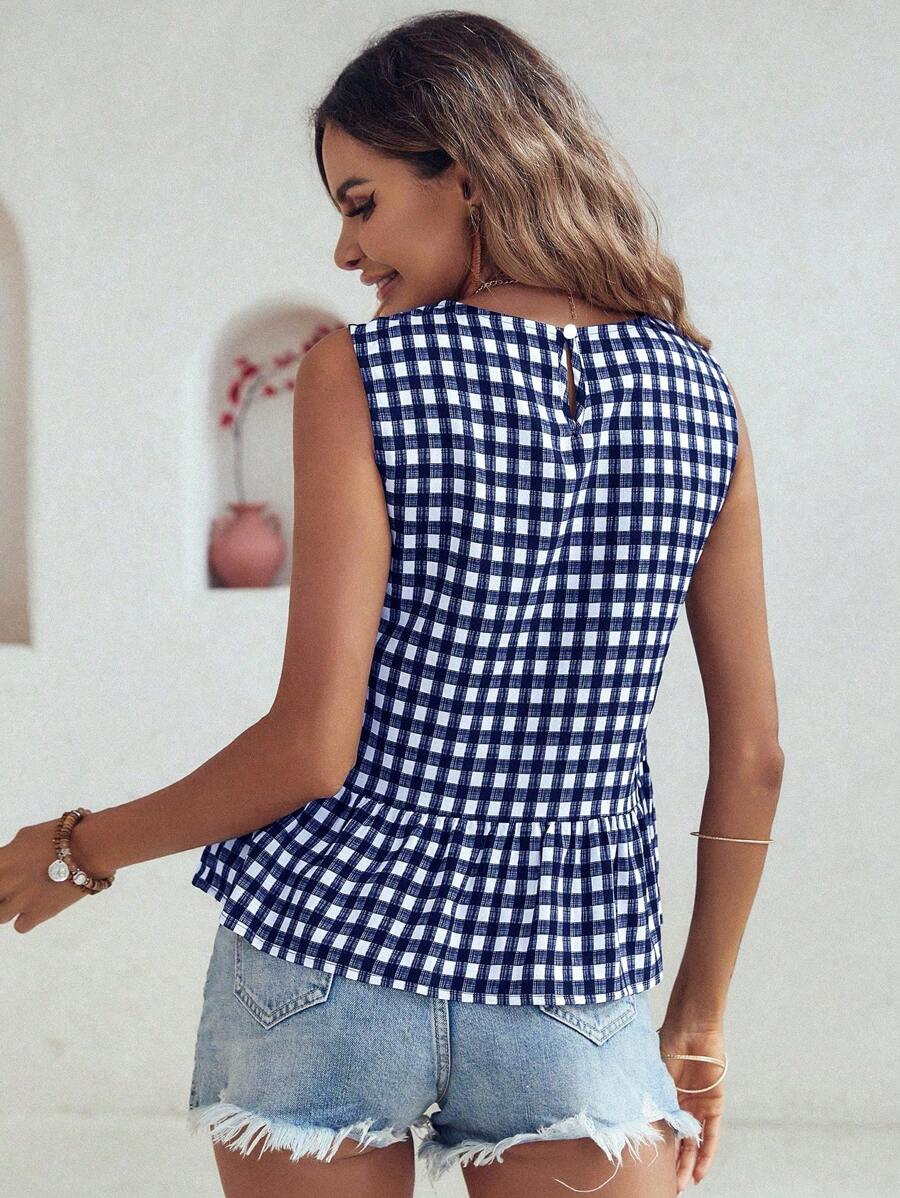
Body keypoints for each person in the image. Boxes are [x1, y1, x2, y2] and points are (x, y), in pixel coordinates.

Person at [0, 12, 783, 1198]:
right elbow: (758, 756)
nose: (346, 249)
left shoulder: (363, 372)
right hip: (571, 980)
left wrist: (77, 849)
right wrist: (700, 1021)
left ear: (464, 176)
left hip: (324, 961)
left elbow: (312, 749)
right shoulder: (700, 392)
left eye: (361, 204)